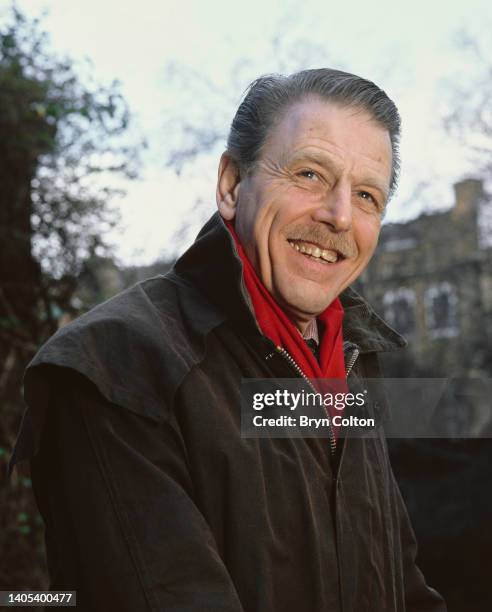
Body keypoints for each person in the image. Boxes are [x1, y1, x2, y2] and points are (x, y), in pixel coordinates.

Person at [10, 68, 447, 611]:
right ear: (231, 186)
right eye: (310, 174)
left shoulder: (350, 366)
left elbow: (402, 587)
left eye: (365, 195)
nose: (339, 215)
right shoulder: (120, 366)